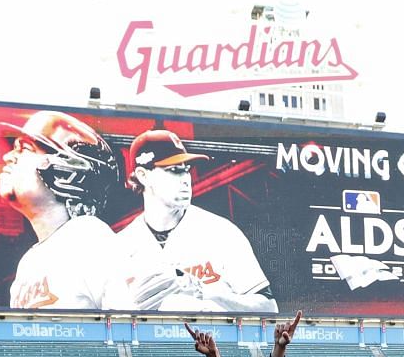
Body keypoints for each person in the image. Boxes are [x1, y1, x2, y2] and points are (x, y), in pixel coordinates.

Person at [100, 129, 274, 313]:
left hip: (212, 340)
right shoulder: (120, 246)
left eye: (186, 170)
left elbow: (269, 308)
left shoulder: (220, 232)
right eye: (174, 170)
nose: (185, 180)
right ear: (144, 175)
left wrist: (203, 291)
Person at [0, 110, 120, 309]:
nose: (8, 156)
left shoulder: (90, 239)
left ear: (66, 169)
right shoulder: (30, 262)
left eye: (24, 148)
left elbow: (129, 328)